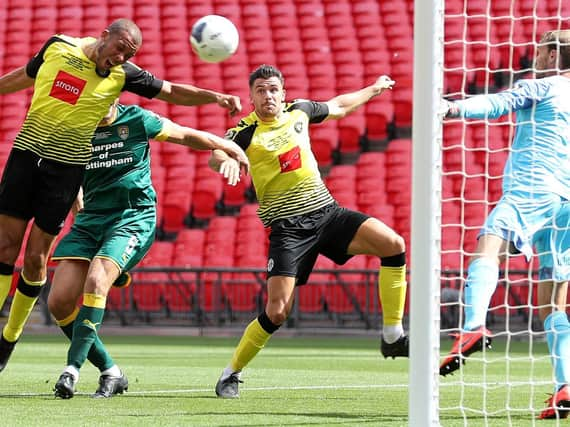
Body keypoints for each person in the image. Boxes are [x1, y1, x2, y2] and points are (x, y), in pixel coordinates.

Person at [0, 18, 242, 372]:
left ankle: (9, 337)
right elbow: (25, 75)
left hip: (66, 169)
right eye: (119, 48)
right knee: (5, 246)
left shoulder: (125, 74)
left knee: (36, 258)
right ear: (104, 36)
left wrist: (215, 97)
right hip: (25, 156)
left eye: (128, 55)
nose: (120, 57)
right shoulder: (59, 46)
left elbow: (172, 92)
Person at [208, 64, 408, 399]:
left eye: (273, 89)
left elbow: (341, 105)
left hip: (326, 212)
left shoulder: (300, 111)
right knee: (277, 311)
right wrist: (225, 159)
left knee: (393, 244)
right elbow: (217, 151)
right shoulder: (245, 131)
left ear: (283, 93)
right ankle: (231, 373)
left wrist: (374, 88)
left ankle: (392, 336)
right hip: (288, 229)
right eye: (260, 90)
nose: (268, 95)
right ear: (251, 97)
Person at [47, 99, 248, 399]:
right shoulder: (76, 125)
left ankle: (71, 371)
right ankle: (112, 373)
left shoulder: (137, 119)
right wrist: (79, 209)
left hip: (132, 216)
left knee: (96, 280)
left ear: (114, 94)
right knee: (58, 302)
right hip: (90, 221)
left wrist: (228, 146)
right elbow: (70, 174)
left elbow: (183, 133)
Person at [438, 28, 570, 394]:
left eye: (541, 53)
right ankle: (565, 386)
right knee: (554, 305)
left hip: (533, 187)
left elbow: (499, 103)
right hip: (567, 204)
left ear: (554, 56)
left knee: (489, 245)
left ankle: (472, 326)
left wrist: (452, 108)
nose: (536, 58)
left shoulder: (543, 86)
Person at [531, 203, 570, 419]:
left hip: (554, 207)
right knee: (552, 308)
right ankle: (563, 385)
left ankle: (565, 385)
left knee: (551, 306)